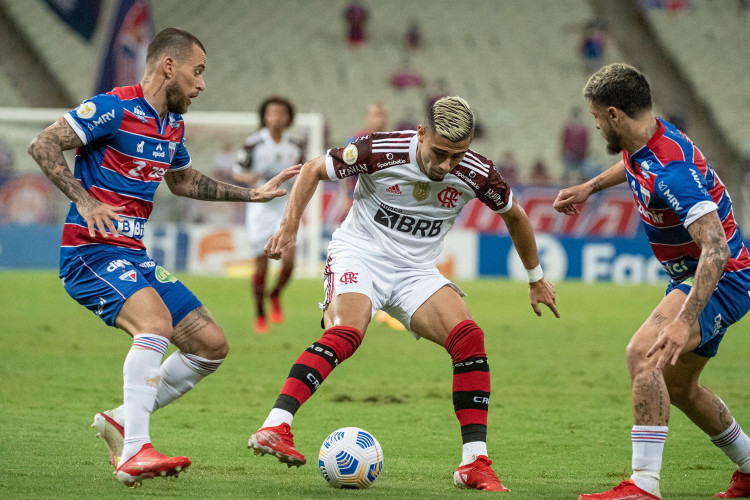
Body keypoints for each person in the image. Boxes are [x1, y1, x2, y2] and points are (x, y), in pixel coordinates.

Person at [27, 28, 299, 488]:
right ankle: (134, 450)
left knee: (211, 345)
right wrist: (86, 200)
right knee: (154, 326)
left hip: (134, 255)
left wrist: (254, 195)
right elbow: (43, 144)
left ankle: (119, 421)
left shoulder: (173, 123)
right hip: (89, 253)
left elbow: (184, 181)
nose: (202, 84)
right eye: (198, 72)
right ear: (168, 67)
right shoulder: (112, 107)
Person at [247, 96, 560, 491]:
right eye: (440, 153)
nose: (447, 165)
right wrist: (290, 227)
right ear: (421, 133)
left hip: (416, 272)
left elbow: (515, 215)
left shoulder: (479, 173)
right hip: (359, 255)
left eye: (457, 156)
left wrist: (535, 276)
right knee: (349, 332)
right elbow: (312, 170)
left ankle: (474, 463)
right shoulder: (380, 150)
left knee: (470, 340)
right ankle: (276, 426)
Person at [553, 63, 750, 499]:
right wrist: (591, 187)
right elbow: (633, 167)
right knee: (679, 387)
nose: (596, 125)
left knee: (643, 353)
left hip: (722, 278)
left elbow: (716, 249)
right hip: (696, 276)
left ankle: (644, 486)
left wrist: (684, 320)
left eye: (597, 118)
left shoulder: (671, 169)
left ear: (615, 115)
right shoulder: (646, 140)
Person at [232, 96, 304, 334]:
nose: (276, 117)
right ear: (264, 116)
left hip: (285, 210)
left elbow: (304, 175)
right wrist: (251, 179)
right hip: (260, 210)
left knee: (290, 261)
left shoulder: (295, 146)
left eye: (281, 113)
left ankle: (275, 295)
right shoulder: (253, 144)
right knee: (261, 266)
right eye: (271, 113)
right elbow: (237, 173)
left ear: (288, 118)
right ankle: (260, 313)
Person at [561, 107, 589, 183]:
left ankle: (579, 187)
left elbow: (586, 143)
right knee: (567, 172)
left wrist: (585, 154)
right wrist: (563, 152)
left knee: (581, 173)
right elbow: (564, 141)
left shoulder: (583, 129)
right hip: (569, 154)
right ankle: (566, 186)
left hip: (580, 154)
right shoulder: (568, 128)